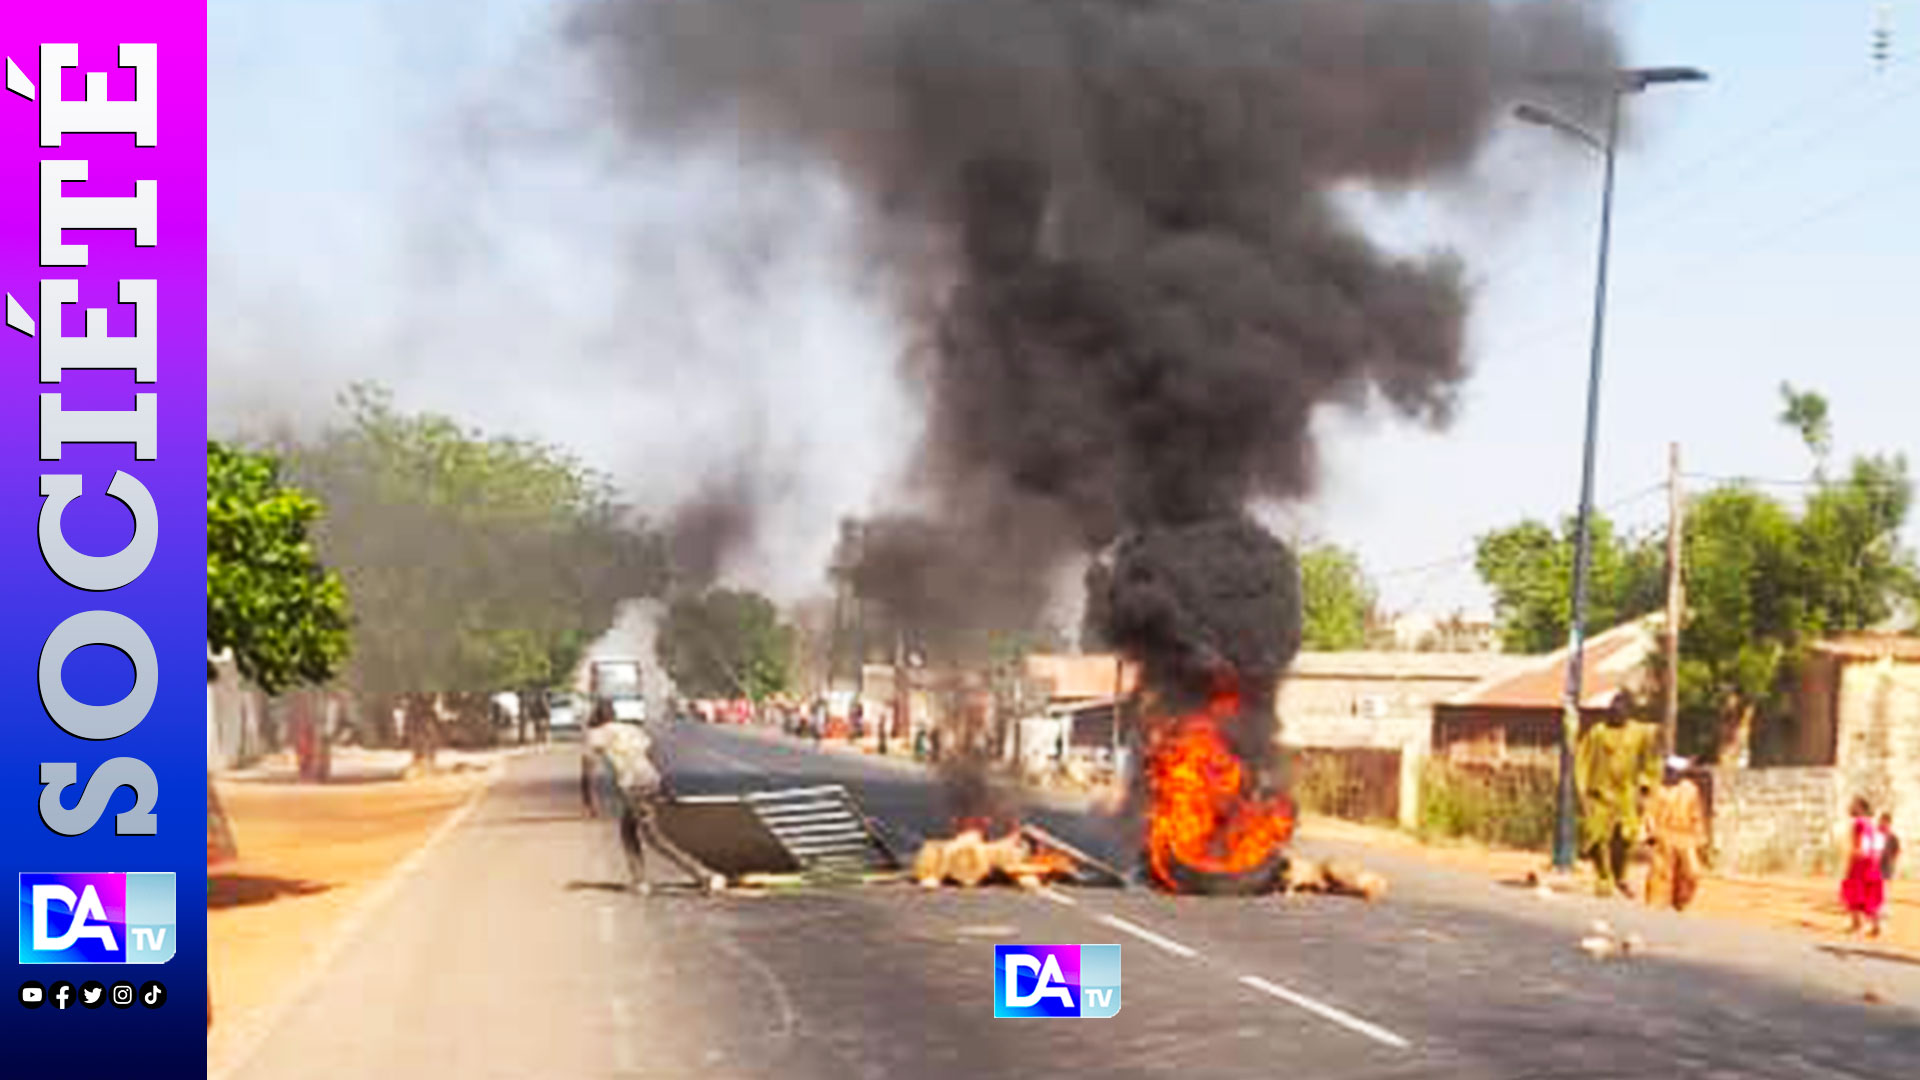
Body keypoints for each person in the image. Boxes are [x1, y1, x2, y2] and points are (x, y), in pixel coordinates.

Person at [585, 705, 714, 895]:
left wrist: (588, 800)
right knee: (628, 832)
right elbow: (651, 757)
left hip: (634, 786)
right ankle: (639, 881)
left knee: (653, 838)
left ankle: (702, 873)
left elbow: (586, 769)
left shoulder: (596, 734)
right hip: (651, 780)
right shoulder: (632, 730)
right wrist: (665, 786)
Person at [1574, 690, 1662, 899]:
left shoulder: (1640, 733)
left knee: (1625, 839)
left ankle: (1620, 875)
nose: (1617, 715)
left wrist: (1647, 785)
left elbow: (1651, 760)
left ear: (1629, 713)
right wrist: (1582, 790)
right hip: (1600, 795)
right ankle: (1604, 878)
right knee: (1597, 838)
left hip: (1626, 796)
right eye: (1614, 711)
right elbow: (1582, 761)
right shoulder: (1598, 732)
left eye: (1622, 711)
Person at [1643, 756, 1707, 911]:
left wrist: (1701, 838)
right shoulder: (1658, 789)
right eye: (1670, 771)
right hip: (1664, 834)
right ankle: (1657, 907)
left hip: (1686, 837)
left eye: (1677, 772)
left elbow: (1696, 814)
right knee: (1661, 874)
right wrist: (1650, 834)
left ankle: (1681, 901)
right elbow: (1649, 813)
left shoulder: (1690, 790)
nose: (1673, 775)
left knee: (1692, 872)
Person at [1842, 797, 1887, 937]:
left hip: (1861, 862)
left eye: (1853, 805)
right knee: (1870, 894)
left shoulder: (1858, 823)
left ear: (1860, 808)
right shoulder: (1872, 824)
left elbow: (1859, 844)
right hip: (1872, 863)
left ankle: (1857, 924)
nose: (1850, 808)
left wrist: (1852, 860)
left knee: (1853, 892)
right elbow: (1877, 844)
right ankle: (1875, 926)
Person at [1880, 811, 1901, 883]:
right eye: (1882, 820)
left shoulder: (1893, 836)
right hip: (1877, 863)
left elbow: (1897, 850)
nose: (1883, 823)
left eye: (1885, 821)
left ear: (1889, 823)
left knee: (1886, 883)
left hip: (1888, 863)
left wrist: (1893, 861)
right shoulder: (1877, 833)